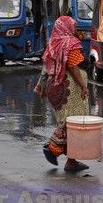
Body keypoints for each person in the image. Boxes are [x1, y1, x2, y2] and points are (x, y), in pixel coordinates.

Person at [34, 16, 90, 172]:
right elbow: (73, 67)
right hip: (69, 89)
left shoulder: (52, 44)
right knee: (74, 122)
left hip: (55, 88)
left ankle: (70, 160)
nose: (75, 30)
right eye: (73, 26)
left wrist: (42, 87)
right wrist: (83, 86)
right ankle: (54, 149)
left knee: (66, 122)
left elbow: (45, 68)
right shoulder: (70, 43)